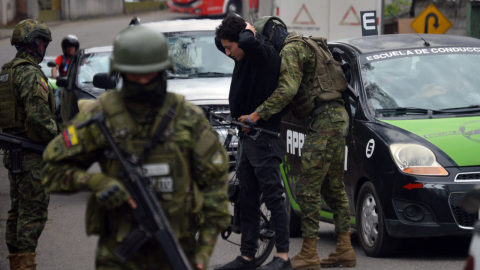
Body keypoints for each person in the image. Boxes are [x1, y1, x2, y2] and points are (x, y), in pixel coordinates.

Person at [41, 25, 230, 270]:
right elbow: (50, 168)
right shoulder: (104, 115)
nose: (143, 81)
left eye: (150, 74)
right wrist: (95, 182)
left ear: (163, 71)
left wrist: (203, 254)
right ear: (120, 73)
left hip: (176, 250)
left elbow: (215, 190)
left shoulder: (188, 118)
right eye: (134, 76)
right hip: (118, 256)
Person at [244, 16, 356, 269]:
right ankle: (345, 249)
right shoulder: (304, 43)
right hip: (337, 117)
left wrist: (255, 115)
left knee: (306, 187)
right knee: (333, 186)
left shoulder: (291, 49)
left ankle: (309, 252)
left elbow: (287, 89)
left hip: (324, 120)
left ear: (269, 35)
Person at [214, 15, 292, 270]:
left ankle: (283, 257)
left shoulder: (263, 55)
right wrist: (231, 36)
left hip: (265, 139)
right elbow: (222, 42)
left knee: (274, 197)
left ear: (245, 41)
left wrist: (248, 31)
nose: (226, 53)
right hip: (247, 137)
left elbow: (248, 41)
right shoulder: (242, 54)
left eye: (229, 47)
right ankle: (247, 257)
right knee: (246, 198)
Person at [0, 19, 59, 270]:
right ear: (35, 43)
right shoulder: (30, 73)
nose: (44, 47)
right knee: (32, 214)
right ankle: (25, 265)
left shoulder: (7, 71)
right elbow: (38, 119)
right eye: (43, 42)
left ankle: (16, 263)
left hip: (14, 152)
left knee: (16, 211)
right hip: (31, 155)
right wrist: (61, 142)